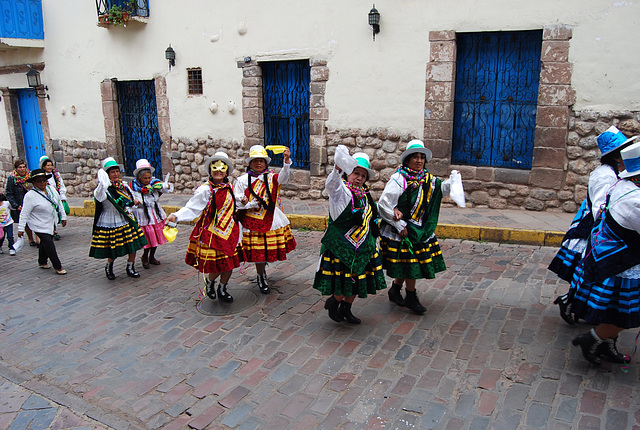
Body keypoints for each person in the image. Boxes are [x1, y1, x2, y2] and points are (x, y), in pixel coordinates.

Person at [550, 126, 639, 326]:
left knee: (592, 277)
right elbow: (601, 207)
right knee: (591, 276)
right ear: (618, 157)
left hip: (605, 232)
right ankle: (572, 303)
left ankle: (583, 307)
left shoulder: (615, 173)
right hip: (598, 231)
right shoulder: (604, 176)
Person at [570, 141, 640, 366]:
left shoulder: (623, 187)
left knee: (617, 311)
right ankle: (593, 339)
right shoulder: (634, 199)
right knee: (624, 314)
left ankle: (605, 344)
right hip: (620, 263)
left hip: (615, 260)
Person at [378, 140, 461, 315]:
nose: (419, 160)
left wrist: (452, 180)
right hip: (402, 229)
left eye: (421, 157)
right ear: (407, 160)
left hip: (419, 229)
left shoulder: (427, 179)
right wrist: (399, 223)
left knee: (409, 263)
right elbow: (384, 204)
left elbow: (440, 189)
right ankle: (411, 296)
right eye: (415, 157)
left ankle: (395, 290)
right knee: (411, 263)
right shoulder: (399, 179)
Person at [313, 146, 386, 324]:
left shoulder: (365, 195)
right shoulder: (341, 192)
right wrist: (338, 168)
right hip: (341, 248)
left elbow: (371, 217)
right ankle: (334, 301)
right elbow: (331, 185)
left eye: (363, 175)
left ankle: (346, 309)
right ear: (347, 173)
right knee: (343, 282)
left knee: (356, 281)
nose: (359, 178)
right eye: (356, 173)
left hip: (362, 248)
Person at [166, 151, 241, 303]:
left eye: (222, 168)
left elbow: (236, 203)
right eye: (215, 168)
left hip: (230, 233)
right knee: (217, 266)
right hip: (212, 234)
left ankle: (223, 288)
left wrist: (246, 201)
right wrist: (177, 215)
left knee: (229, 265)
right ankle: (211, 283)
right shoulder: (205, 190)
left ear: (227, 170)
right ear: (210, 171)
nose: (218, 171)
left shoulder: (230, 188)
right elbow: (192, 208)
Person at [234, 145, 296, 294]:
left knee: (265, 250)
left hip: (268, 218)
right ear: (250, 163)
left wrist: (286, 162)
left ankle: (262, 273)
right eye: (255, 160)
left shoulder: (271, 178)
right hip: (251, 219)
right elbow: (236, 197)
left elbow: (283, 178)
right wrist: (244, 201)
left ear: (266, 163)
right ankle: (261, 275)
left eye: (261, 160)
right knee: (258, 252)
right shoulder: (242, 180)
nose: (258, 163)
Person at [89, 157, 147, 280]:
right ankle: (109, 266)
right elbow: (99, 196)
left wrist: (134, 202)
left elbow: (129, 200)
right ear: (107, 175)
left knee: (133, 244)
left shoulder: (124, 186)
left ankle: (130, 267)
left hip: (125, 218)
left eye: (117, 171)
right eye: (112, 172)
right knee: (113, 247)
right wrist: (102, 184)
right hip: (111, 220)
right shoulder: (104, 190)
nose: (116, 174)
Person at [17, 169, 67, 274]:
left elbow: (58, 204)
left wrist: (63, 217)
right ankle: (58, 266)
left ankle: (42, 261)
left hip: (50, 221)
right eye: (39, 181)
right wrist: (21, 228)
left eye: (44, 180)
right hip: (38, 223)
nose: (42, 183)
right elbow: (24, 213)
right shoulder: (30, 196)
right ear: (34, 182)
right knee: (49, 243)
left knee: (45, 241)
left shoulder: (52, 190)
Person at [129, 159, 174, 269]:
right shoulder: (133, 187)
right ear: (139, 177)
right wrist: (137, 202)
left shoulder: (154, 184)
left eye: (149, 177)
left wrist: (165, 186)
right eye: (145, 178)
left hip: (155, 214)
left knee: (156, 237)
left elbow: (164, 188)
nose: (148, 180)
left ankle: (152, 256)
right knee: (148, 238)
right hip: (143, 215)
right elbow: (132, 201)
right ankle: (145, 256)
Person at [5, 159, 36, 246]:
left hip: (32, 202)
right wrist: (15, 205)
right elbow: (9, 193)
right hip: (20, 203)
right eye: (20, 167)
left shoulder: (30, 177)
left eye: (24, 167)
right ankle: (31, 239)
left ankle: (38, 238)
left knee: (35, 219)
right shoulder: (12, 179)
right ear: (16, 168)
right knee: (25, 222)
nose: (22, 169)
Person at [39, 155, 67, 240]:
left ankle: (54, 230)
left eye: (51, 165)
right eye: (47, 165)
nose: (50, 167)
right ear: (43, 166)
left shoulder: (56, 175)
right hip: (46, 197)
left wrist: (62, 195)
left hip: (55, 196)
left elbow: (61, 184)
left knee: (55, 214)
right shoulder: (41, 176)